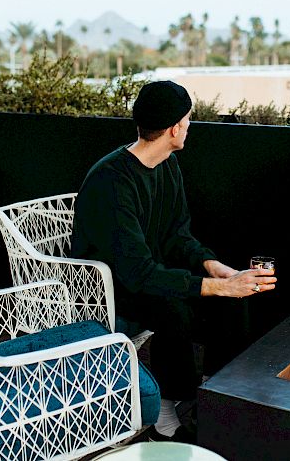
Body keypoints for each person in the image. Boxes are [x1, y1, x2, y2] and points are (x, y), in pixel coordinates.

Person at [71, 80, 276, 442]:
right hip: (108, 286)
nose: (189, 126)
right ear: (174, 128)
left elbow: (178, 236)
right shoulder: (112, 181)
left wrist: (219, 270)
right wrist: (218, 286)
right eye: (188, 119)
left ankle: (216, 393)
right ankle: (164, 415)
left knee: (233, 301)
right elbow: (136, 272)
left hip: (147, 272)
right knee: (174, 309)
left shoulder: (167, 165)